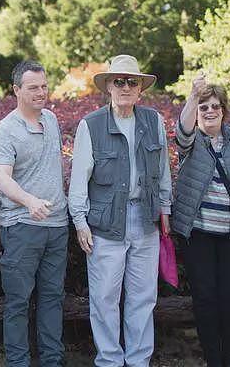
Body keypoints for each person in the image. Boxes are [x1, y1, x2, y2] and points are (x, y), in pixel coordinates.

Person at [68, 55, 172, 367]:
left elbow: (164, 171)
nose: (125, 86)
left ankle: (139, 361)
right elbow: (79, 179)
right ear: (109, 87)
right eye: (119, 81)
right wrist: (79, 221)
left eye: (132, 81)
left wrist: (164, 210)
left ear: (140, 88)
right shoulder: (91, 125)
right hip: (105, 225)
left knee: (143, 299)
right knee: (104, 300)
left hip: (145, 220)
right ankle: (110, 361)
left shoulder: (154, 122)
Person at [172, 75, 230, 367]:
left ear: (224, 110)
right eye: (203, 107)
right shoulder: (190, 141)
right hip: (198, 235)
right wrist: (192, 96)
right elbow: (181, 130)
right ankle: (213, 361)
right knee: (206, 301)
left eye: (215, 106)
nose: (209, 111)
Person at [0, 61, 69, 367]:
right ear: (16, 90)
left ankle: (52, 362)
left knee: (52, 299)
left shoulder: (51, 120)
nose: (41, 92)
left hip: (58, 226)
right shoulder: (7, 130)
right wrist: (29, 201)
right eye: (33, 87)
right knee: (18, 304)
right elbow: (3, 179)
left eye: (44, 86)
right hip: (22, 226)